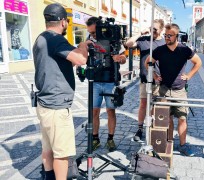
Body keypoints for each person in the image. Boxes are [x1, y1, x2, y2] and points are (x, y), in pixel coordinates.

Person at [33, 3, 91, 180]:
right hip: (57, 106)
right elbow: (81, 59)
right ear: (63, 22)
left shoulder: (41, 38)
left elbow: (62, 63)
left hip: (44, 103)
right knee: (61, 153)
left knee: (48, 149)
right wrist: (83, 45)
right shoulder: (56, 39)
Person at [145, 23, 202, 156]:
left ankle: (183, 145)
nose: (167, 38)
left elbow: (198, 62)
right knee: (167, 118)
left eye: (169, 35)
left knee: (182, 118)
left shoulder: (184, 50)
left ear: (177, 36)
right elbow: (147, 62)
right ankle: (168, 142)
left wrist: (188, 75)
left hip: (179, 90)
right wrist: (154, 75)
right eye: (165, 35)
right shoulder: (160, 50)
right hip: (163, 89)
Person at [85, 17, 127, 152]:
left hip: (110, 80)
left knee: (110, 111)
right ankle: (95, 139)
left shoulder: (112, 37)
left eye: (94, 32)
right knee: (94, 111)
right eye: (90, 33)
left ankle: (110, 139)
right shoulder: (88, 40)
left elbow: (124, 57)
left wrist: (119, 59)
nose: (92, 35)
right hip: (95, 81)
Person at [125, 19, 165, 141]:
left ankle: (153, 127)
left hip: (159, 80)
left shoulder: (164, 42)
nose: (153, 31)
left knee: (157, 105)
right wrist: (141, 33)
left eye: (155, 29)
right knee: (143, 104)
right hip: (144, 78)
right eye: (151, 28)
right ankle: (140, 128)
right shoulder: (144, 40)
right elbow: (128, 44)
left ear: (161, 30)